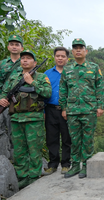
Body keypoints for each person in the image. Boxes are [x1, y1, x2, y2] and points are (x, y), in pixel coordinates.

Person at [0, 50, 52, 189]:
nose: (25, 60)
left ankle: (34, 179)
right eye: (23, 58)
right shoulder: (13, 77)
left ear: (34, 63)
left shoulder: (41, 77)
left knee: (34, 151)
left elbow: (47, 93)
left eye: (28, 59)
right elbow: (4, 93)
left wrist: (32, 82)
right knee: (18, 151)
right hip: (16, 119)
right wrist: (3, 100)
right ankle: (22, 179)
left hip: (34, 119)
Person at [59, 38, 104, 179]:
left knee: (88, 139)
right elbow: (63, 90)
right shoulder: (67, 69)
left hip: (89, 109)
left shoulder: (93, 67)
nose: (78, 50)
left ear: (86, 51)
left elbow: (100, 88)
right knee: (74, 139)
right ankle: (75, 166)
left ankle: (86, 165)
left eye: (81, 48)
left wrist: (100, 106)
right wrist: (64, 108)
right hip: (72, 110)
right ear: (72, 52)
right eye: (75, 48)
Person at [43, 47, 71, 175]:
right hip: (50, 109)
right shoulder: (47, 74)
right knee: (51, 138)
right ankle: (53, 164)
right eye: (58, 56)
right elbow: (42, 93)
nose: (60, 58)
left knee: (67, 138)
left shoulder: (71, 73)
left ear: (67, 58)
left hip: (66, 111)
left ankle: (66, 164)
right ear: (54, 57)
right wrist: (43, 111)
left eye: (63, 56)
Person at [0, 35, 24, 161]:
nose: (14, 47)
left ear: (21, 47)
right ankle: (3, 159)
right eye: (12, 44)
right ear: (8, 47)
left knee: (14, 132)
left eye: (17, 44)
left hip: (18, 104)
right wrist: (0, 98)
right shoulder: (2, 64)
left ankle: (16, 161)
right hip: (3, 102)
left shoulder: (25, 62)